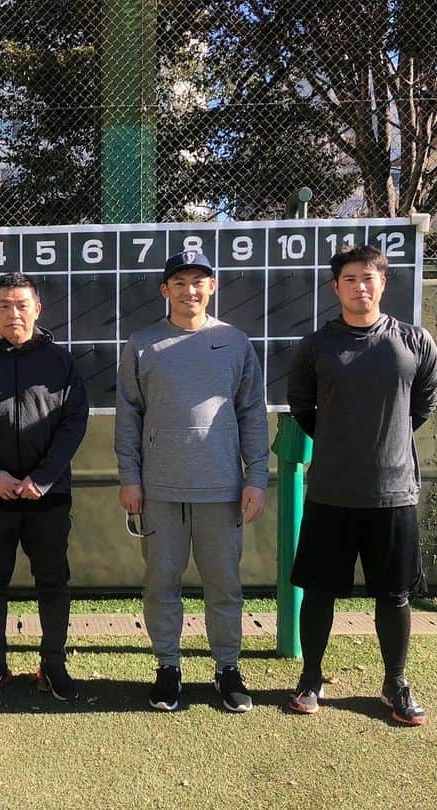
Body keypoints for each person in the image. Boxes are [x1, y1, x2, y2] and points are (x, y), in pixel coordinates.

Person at [286, 245, 437, 725]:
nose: (360, 286)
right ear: (336, 287)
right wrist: (341, 444)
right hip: (331, 492)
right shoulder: (315, 346)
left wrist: (386, 441)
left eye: (368, 277)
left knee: (394, 595)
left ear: (383, 283)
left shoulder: (414, 341)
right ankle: (310, 679)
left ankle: (395, 683)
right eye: (350, 279)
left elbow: (424, 402)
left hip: (394, 494)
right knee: (318, 591)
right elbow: (302, 407)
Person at [115, 250, 269, 713]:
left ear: (213, 286)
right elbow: (129, 416)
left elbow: (252, 414)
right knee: (161, 583)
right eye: (179, 282)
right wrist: (130, 477)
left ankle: (226, 668)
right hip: (159, 490)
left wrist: (255, 475)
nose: (190, 290)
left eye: (198, 280)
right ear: (165, 291)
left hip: (221, 490)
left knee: (224, 586)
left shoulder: (235, 341)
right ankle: (168, 667)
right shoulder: (143, 344)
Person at [0, 272, 89, 703]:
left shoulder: (61, 362)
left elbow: (73, 423)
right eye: (5, 305)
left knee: (53, 582)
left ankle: (54, 664)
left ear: (37, 309)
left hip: (48, 497)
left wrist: (42, 478)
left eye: (22, 304)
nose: (14, 313)